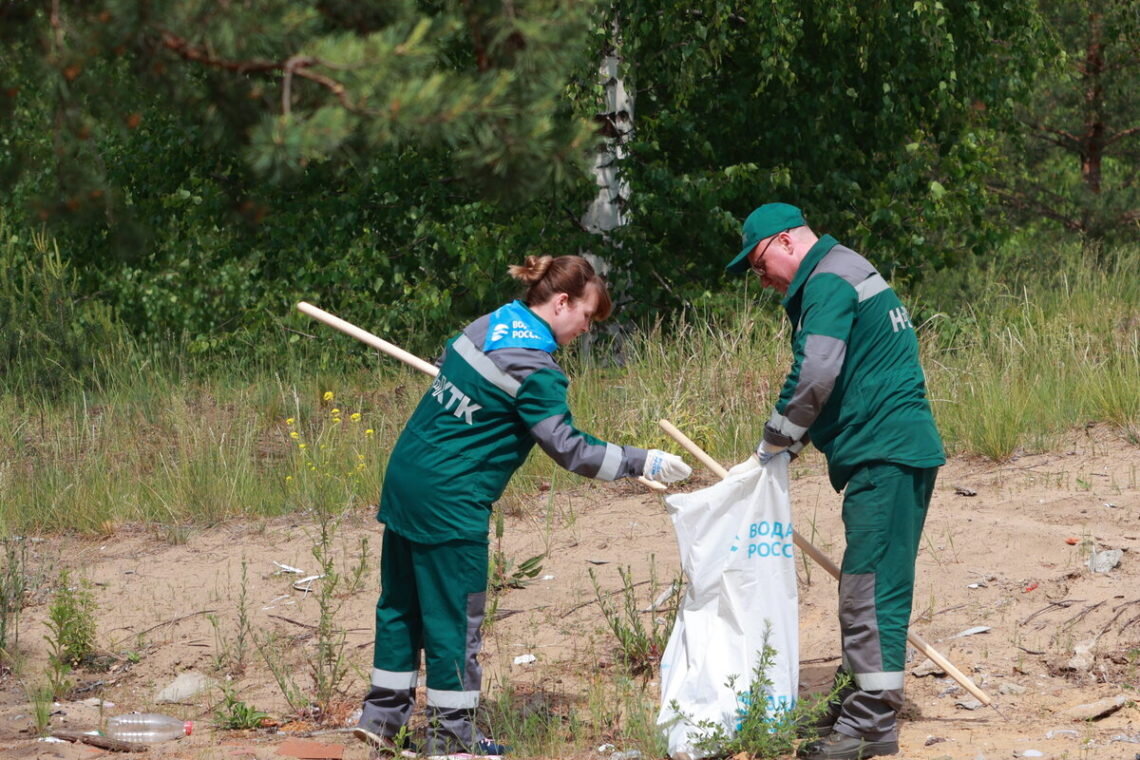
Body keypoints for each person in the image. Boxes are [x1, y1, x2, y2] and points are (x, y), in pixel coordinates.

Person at [354, 254, 692, 760]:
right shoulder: (538, 369)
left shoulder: (488, 325)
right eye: (586, 317)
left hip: (406, 479)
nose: (584, 330)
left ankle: (382, 720)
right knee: (452, 619)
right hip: (452, 500)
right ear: (562, 302)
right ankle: (451, 740)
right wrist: (641, 460)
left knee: (401, 605)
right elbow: (571, 449)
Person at [725, 204, 944, 760]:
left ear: (784, 242)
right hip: (887, 449)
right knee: (865, 585)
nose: (763, 280)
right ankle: (854, 699)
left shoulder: (825, 281)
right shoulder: (842, 270)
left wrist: (772, 443)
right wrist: (789, 446)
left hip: (885, 451)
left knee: (871, 591)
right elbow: (839, 376)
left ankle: (870, 724)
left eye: (759, 264)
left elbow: (817, 371)